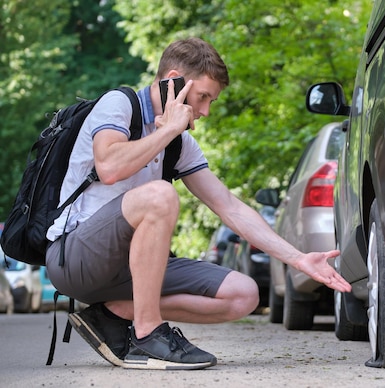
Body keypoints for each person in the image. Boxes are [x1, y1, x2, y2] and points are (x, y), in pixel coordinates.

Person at [45, 37, 351, 371]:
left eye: (210, 101)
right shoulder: (118, 105)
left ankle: (113, 314)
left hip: (131, 271)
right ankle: (147, 334)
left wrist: (299, 259)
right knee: (160, 195)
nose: (204, 111)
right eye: (202, 97)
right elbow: (109, 167)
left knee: (244, 294)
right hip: (76, 258)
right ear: (172, 80)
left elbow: (230, 207)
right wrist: (168, 130)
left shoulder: (180, 144)